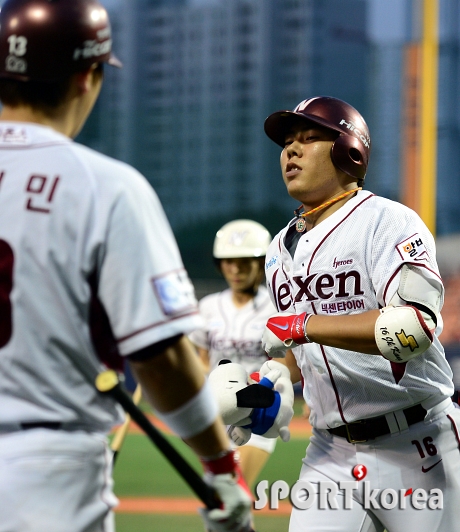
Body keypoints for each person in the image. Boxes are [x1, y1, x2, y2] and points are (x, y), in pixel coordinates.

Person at [0, 1, 251, 531]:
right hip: (44, 472)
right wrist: (219, 463)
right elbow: (161, 359)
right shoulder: (104, 187)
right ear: (88, 76)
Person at [258, 96, 460, 532]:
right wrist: (272, 381)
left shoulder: (388, 221)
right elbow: (298, 347)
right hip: (329, 452)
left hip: (417, 442)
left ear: (348, 150)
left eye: (308, 138)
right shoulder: (277, 249)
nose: (290, 150)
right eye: (286, 142)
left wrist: (305, 326)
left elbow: (412, 328)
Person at [189, 219, 281, 489]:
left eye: (245, 260)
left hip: (258, 411)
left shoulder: (275, 307)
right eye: (229, 261)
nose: (236, 269)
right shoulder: (208, 307)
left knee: (235, 488)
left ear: (262, 262)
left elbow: (287, 362)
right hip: (217, 412)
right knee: (221, 494)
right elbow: (202, 360)